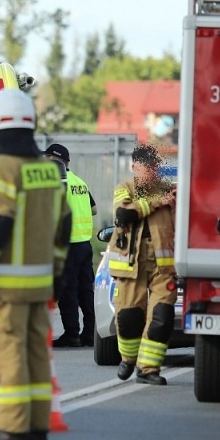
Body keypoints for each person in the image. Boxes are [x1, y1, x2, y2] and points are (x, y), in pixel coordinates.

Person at [0, 89, 72, 440]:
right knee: (36, 354)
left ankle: (10, 429)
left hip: (5, 286)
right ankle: (36, 429)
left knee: (8, 354)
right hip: (41, 283)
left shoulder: (3, 168)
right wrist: (56, 272)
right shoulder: (47, 168)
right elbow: (64, 225)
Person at [106, 143, 176, 384]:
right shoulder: (125, 189)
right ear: (134, 167)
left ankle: (148, 369)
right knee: (128, 318)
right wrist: (157, 202)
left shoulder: (171, 193)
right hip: (130, 265)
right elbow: (123, 215)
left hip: (162, 267)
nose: (150, 172)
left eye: (153, 167)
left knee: (162, 317)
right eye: (145, 167)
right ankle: (128, 358)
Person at [45, 143, 97, 348]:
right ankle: (91, 333)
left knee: (68, 291)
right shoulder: (79, 182)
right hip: (84, 244)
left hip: (66, 245)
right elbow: (93, 209)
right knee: (86, 290)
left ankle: (72, 334)